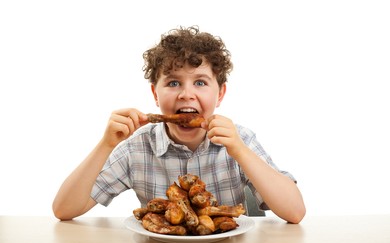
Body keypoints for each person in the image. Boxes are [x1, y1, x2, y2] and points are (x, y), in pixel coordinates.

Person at [52, 26, 305, 223]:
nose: (186, 94)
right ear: (155, 94)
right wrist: (105, 145)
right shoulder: (136, 148)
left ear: (220, 94)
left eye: (200, 83)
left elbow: (295, 212)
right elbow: (64, 209)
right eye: (173, 83)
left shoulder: (240, 140)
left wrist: (240, 151)